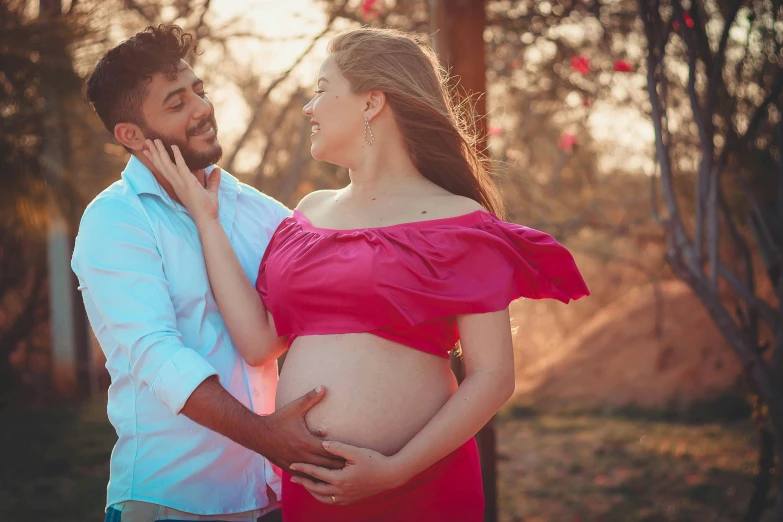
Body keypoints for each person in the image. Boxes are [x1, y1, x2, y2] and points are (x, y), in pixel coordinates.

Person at [146, 27, 589, 522]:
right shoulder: (309, 215)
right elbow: (257, 342)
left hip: (421, 486)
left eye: (320, 89)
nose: (308, 108)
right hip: (313, 490)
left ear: (371, 101)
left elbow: (492, 377)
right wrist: (206, 219)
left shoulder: (460, 222)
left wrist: (396, 469)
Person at [72, 25, 344, 522]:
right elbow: (158, 356)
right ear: (131, 135)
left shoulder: (258, 211)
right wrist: (268, 436)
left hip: (274, 497)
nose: (201, 108)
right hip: (173, 502)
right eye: (176, 104)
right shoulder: (114, 221)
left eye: (199, 91)